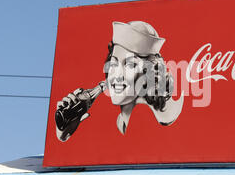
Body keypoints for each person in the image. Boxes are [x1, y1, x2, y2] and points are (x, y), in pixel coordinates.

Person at [55, 21, 184, 141]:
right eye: (114, 64)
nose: (117, 75)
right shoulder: (120, 121)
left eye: (130, 65)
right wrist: (64, 133)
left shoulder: (147, 123)